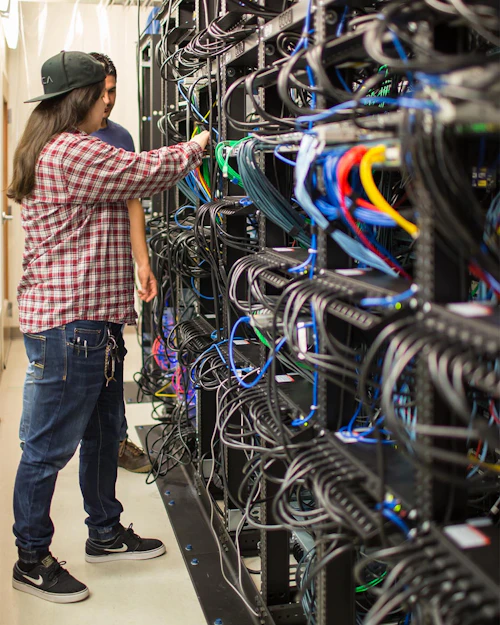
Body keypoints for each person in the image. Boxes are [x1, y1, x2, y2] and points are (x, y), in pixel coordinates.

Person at [8, 50, 210, 604]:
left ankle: (105, 531)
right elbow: (142, 173)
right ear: (82, 98)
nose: (108, 103)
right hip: (67, 326)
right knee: (46, 448)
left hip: (92, 324)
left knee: (102, 434)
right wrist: (198, 143)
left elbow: (125, 196)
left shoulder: (57, 146)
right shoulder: (70, 150)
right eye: (103, 93)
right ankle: (31, 557)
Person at [89, 51, 155, 474]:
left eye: (113, 90)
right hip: (80, 282)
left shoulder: (121, 137)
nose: (109, 99)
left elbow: (134, 203)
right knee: (83, 373)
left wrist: (142, 263)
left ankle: (115, 439)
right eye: (103, 92)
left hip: (112, 277)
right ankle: (96, 441)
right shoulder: (64, 140)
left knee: (114, 362)